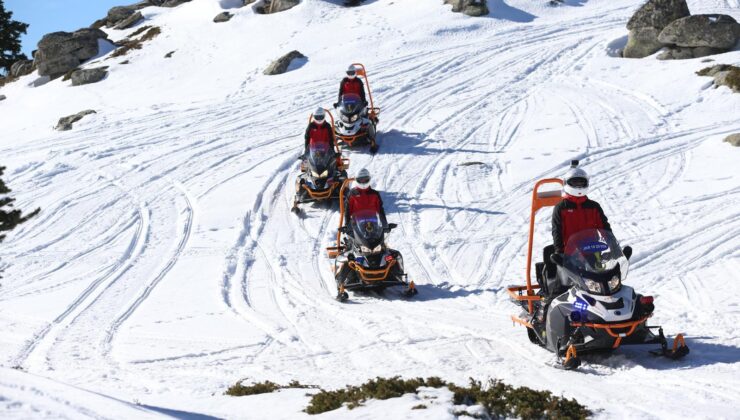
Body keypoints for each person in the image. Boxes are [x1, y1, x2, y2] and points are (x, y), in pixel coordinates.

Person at [551, 161, 611, 255]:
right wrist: (560, 252)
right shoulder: (561, 207)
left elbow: (604, 228)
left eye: (581, 183)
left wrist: (613, 246)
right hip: (570, 255)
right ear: (567, 183)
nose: (579, 186)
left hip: (592, 252)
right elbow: (557, 232)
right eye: (575, 183)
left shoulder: (593, 206)